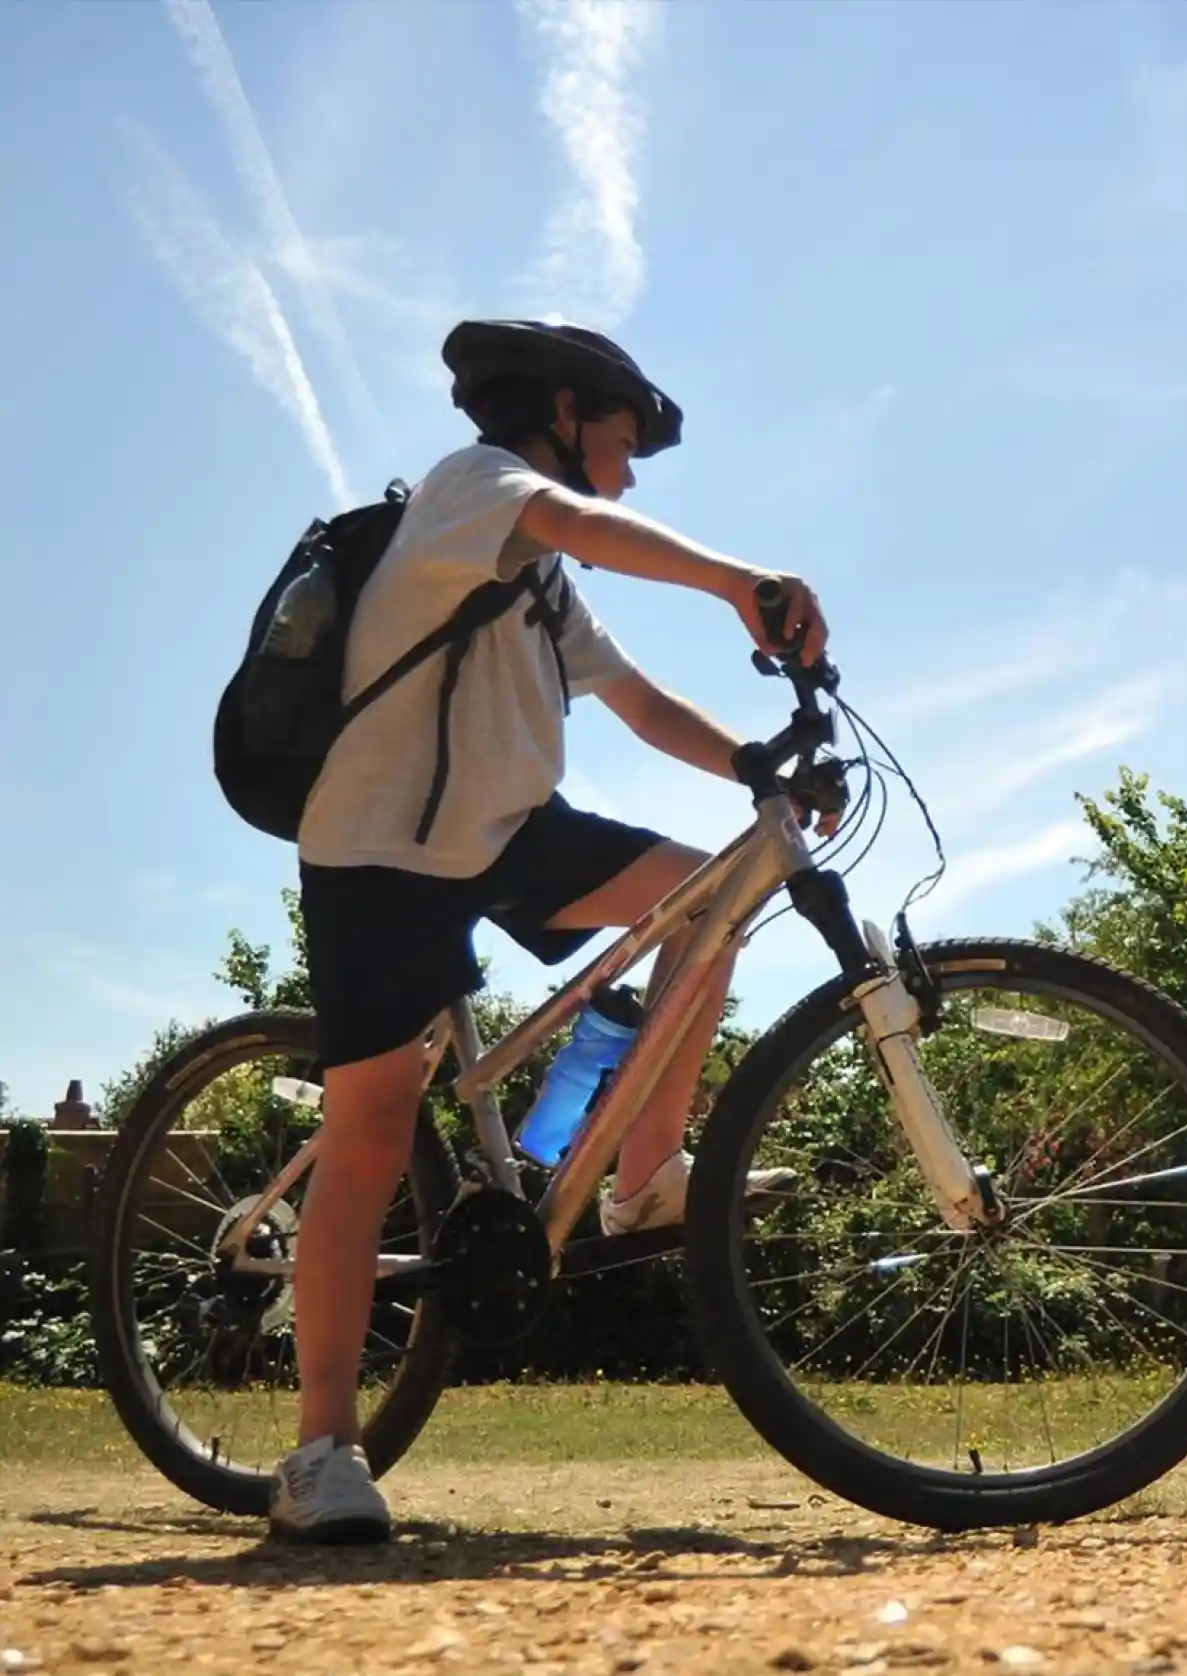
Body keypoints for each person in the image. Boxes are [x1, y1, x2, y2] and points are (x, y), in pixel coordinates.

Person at [270, 318, 831, 1544]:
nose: (627, 473)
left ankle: (643, 1175)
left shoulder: (540, 582)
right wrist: (743, 580)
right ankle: (321, 1448)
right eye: (622, 443)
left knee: (710, 902)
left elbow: (633, 700)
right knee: (369, 1130)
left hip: (511, 829)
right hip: (381, 847)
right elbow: (585, 521)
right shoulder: (479, 486)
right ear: (563, 412)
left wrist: (754, 766)